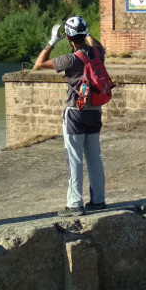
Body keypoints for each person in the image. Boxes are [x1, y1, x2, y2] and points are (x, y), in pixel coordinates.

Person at [33, 15, 107, 216]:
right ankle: (98, 201)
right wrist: (89, 34)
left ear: (68, 37)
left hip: (75, 112)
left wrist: (52, 42)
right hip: (95, 112)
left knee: (74, 158)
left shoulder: (70, 59)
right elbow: (101, 47)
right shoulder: (97, 53)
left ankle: (75, 204)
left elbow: (39, 63)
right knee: (94, 158)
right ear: (84, 34)